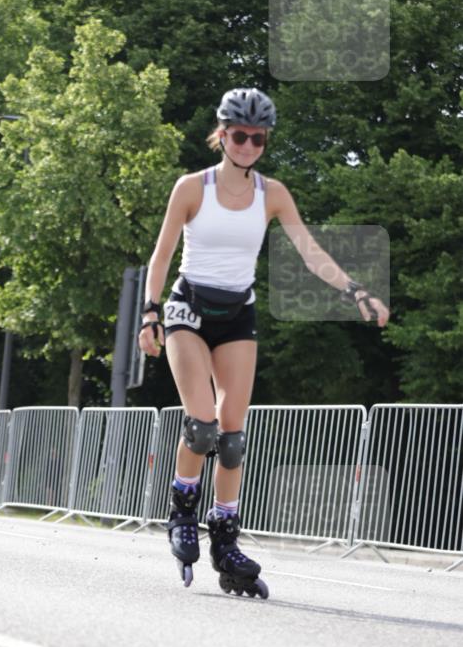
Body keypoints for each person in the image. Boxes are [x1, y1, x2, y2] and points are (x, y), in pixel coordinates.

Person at [138, 87, 390, 592]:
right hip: (189, 309)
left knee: (232, 438)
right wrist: (150, 312)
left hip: (237, 314)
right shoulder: (192, 187)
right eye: (240, 136)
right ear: (222, 135)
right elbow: (162, 255)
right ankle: (182, 509)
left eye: (258, 138)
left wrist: (355, 290)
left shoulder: (271, 194)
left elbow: (310, 251)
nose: (249, 146)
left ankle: (225, 537)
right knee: (202, 425)